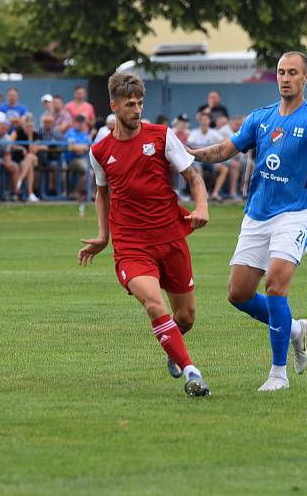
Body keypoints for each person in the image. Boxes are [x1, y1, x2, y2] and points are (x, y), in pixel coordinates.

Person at [187, 51, 307, 392]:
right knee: (238, 294)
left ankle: (278, 374)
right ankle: (293, 330)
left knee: (275, 286)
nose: (285, 77)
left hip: (293, 215)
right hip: (256, 215)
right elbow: (223, 151)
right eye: (280, 72)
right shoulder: (260, 118)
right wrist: (187, 154)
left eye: (293, 72)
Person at [78, 72, 212, 397]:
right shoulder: (100, 151)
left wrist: (202, 207)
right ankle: (192, 371)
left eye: (139, 103)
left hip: (170, 237)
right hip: (131, 245)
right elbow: (102, 194)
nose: (137, 110)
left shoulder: (161, 136)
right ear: (113, 106)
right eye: (129, 105)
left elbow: (193, 177)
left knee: (186, 317)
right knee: (154, 304)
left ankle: (174, 346)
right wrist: (102, 236)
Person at [187, 112, 227, 201]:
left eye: (206, 119)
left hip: (210, 160)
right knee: (198, 170)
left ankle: (215, 193)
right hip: (197, 160)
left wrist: (205, 148)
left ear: (209, 121)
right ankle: (202, 194)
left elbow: (223, 141)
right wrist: (208, 148)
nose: (204, 122)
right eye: (202, 120)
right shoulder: (194, 133)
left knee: (224, 169)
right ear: (199, 121)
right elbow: (190, 145)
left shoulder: (214, 132)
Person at [65, 115, 92, 199]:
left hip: (85, 159)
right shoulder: (70, 132)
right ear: (75, 122)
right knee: (89, 173)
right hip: (73, 160)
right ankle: (75, 192)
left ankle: (92, 193)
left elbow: (90, 147)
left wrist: (80, 148)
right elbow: (71, 147)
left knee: (99, 170)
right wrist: (82, 148)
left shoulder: (86, 134)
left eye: (82, 122)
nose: (80, 124)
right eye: (78, 122)